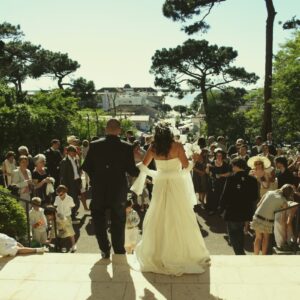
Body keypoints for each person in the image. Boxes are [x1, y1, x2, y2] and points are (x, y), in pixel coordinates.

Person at [131, 123, 210, 276]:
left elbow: (142, 166)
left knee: (158, 214)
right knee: (180, 214)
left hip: (160, 184)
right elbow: (186, 167)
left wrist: (155, 175)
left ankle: (157, 253)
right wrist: (193, 161)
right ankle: (181, 253)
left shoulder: (153, 147)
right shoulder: (178, 146)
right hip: (176, 184)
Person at [82, 118, 140, 258]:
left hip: (99, 188)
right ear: (119, 130)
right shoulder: (126, 147)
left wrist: (95, 178)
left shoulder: (94, 145)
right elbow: (132, 171)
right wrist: (141, 168)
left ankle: (104, 249)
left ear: (106, 129)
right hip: (118, 189)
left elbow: (86, 167)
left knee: (99, 219)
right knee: (118, 220)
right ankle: (119, 250)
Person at [219, 158, 259, 255]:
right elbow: (255, 197)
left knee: (233, 235)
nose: (232, 167)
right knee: (240, 233)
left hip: (232, 211)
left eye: (233, 165)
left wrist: (221, 209)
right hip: (246, 211)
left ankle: (240, 255)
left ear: (236, 166)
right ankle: (240, 253)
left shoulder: (231, 179)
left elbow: (225, 195)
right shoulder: (252, 180)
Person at [251, 184, 294, 255]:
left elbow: (258, 205)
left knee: (258, 238)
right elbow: (282, 219)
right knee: (266, 239)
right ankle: (263, 257)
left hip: (257, 217)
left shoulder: (269, 192)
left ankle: (256, 256)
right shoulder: (284, 201)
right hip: (267, 221)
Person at [60, 145, 82, 222]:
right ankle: (72, 217)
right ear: (68, 152)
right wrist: (65, 187)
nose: (73, 153)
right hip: (69, 183)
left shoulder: (75, 160)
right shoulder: (64, 161)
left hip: (76, 182)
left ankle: (73, 215)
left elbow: (77, 171)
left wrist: (79, 181)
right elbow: (63, 175)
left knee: (76, 199)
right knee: (71, 201)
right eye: (72, 152)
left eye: (74, 152)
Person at [206, 148, 231, 215]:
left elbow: (229, 173)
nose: (219, 157)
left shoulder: (225, 164)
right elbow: (207, 172)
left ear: (222, 156)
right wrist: (207, 167)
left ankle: (220, 210)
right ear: (215, 156)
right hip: (213, 183)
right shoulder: (212, 163)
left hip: (222, 183)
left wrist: (221, 175)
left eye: (220, 155)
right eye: (217, 155)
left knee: (221, 196)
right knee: (212, 196)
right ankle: (212, 209)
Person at [54, 185, 77, 253]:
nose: (59, 196)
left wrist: (67, 212)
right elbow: (55, 205)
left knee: (70, 231)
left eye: (61, 194)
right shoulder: (57, 198)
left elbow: (72, 206)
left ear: (64, 192)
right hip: (59, 216)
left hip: (67, 216)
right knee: (62, 231)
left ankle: (73, 244)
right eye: (58, 194)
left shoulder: (69, 198)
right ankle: (63, 246)